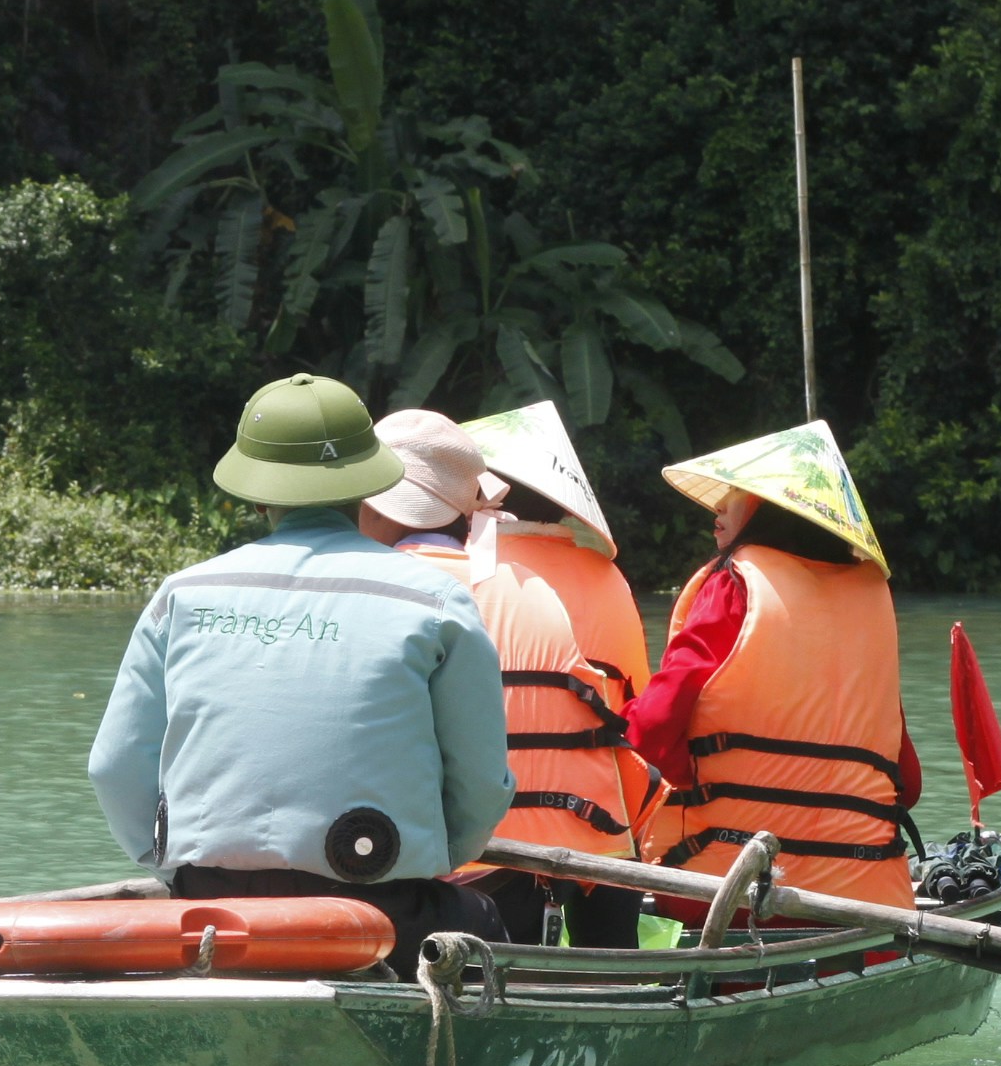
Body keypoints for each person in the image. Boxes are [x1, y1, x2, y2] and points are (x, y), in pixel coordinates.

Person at [88, 375, 512, 977]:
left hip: (210, 908)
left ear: (258, 496)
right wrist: (442, 854)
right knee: (484, 922)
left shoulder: (181, 595)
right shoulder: (437, 602)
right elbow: (481, 779)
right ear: (371, 488)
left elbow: (112, 766)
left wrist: (168, 863)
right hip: (376, 905)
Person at [351, 410, 638, 945]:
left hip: (478, 862)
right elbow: (637, 719)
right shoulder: (602, 580)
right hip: (599, 849)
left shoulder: (422, 583)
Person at [629, 419, 923, 917]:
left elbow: (650, 730)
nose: (717, 506)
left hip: (726, 890)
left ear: (770, 505)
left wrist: (697, 778)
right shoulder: (871, 598)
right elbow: (907, 784)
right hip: (867, 898)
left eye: (734, 493)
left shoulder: (733, 584)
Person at [458, 402, 649, 949]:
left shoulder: (463, 572)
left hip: (492, 840)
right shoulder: (609, 577)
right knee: (612, 964)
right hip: (603, 838)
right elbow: (635, 708)